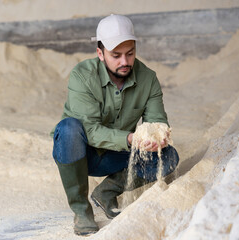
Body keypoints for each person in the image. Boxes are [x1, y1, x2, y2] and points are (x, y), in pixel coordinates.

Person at [51, 14, 179, 236]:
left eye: (130, 54)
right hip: (81, 154)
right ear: (100, 53)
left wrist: (158, 136)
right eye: (116, 55)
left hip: (119, 155)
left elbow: (157, 122)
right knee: (68, 128)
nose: (124, 62)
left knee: (169, 156)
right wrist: (130, 138)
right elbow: (89, 130)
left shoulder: (148, 79)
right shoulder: (82, 76)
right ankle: (81, 210)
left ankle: (106, 192)